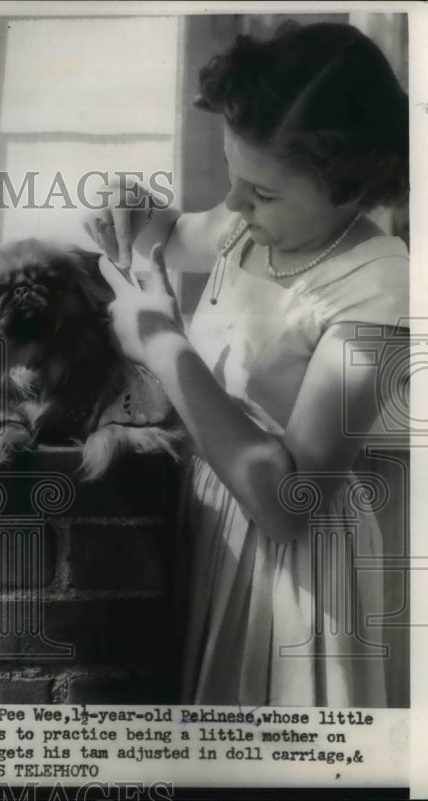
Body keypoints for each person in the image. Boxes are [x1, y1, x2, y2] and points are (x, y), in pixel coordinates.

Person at [88, 22, 408, 706]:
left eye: (260, 191)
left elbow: (289, 501)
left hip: (287, 580)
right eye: (234, 177)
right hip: (211, 529)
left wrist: (162, 344)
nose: (234, 204)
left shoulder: (380, 285)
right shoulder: (245, 226)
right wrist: (128, 207)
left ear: (350, 183)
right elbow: (167, 234)